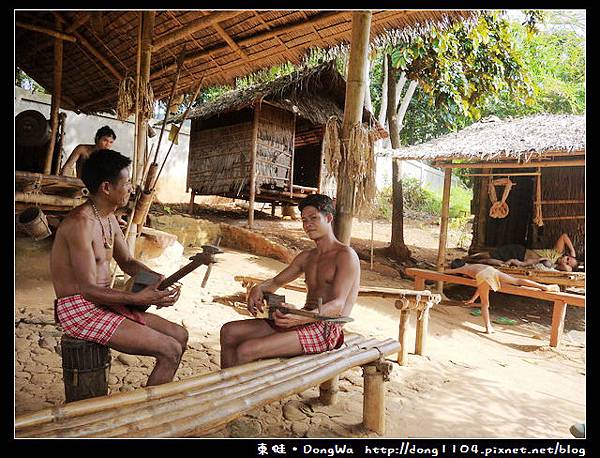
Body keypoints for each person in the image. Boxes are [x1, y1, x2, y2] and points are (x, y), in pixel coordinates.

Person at [50, 149, 213, 386]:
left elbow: (127, 262)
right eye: (126, 183)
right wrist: (135, 298)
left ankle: (153, 402)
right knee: (170, 350)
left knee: (180, 335)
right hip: (80, 308)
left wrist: (157, 281)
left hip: (104, 302)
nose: (131, 189)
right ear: (107, 187)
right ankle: (149, 416)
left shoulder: (108, 217)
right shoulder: (80, 224)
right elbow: (87, 290)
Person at [219, 194, 360, 369]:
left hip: (326, 329)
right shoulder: (307, 257)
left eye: (314, 218)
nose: (307, 224)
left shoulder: (345, 255)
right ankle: (226, 387)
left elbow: (338, 305)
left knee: (246, 350)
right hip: (303, 318)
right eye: (304, 220)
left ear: (329, 218)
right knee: (229, 332)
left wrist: (301, 319)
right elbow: (276, 282)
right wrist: (259, 288)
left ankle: (236, 393)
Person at [445, 259, 561, 334]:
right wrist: (473, 299)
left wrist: (443, 268)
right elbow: (481, 287)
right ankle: (544, 287)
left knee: (485, 304)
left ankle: (488, 327)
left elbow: (449, 271)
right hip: (492, 271)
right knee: (517, 281)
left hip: (483, 276)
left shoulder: (464, 269)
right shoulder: (474, 264)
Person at [465, 233, 579, 272]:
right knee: (492, 254)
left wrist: (571, 263)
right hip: (520, 251)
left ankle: (471, 262)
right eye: (567, 259)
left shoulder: (555, 267)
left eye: (568, 263)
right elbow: (564, 236)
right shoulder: (557, 252)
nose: (566, 261)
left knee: (496, 261)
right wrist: (572, 252)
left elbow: (569, 270)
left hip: (519, 260)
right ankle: (471, 257)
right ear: (566, 255)